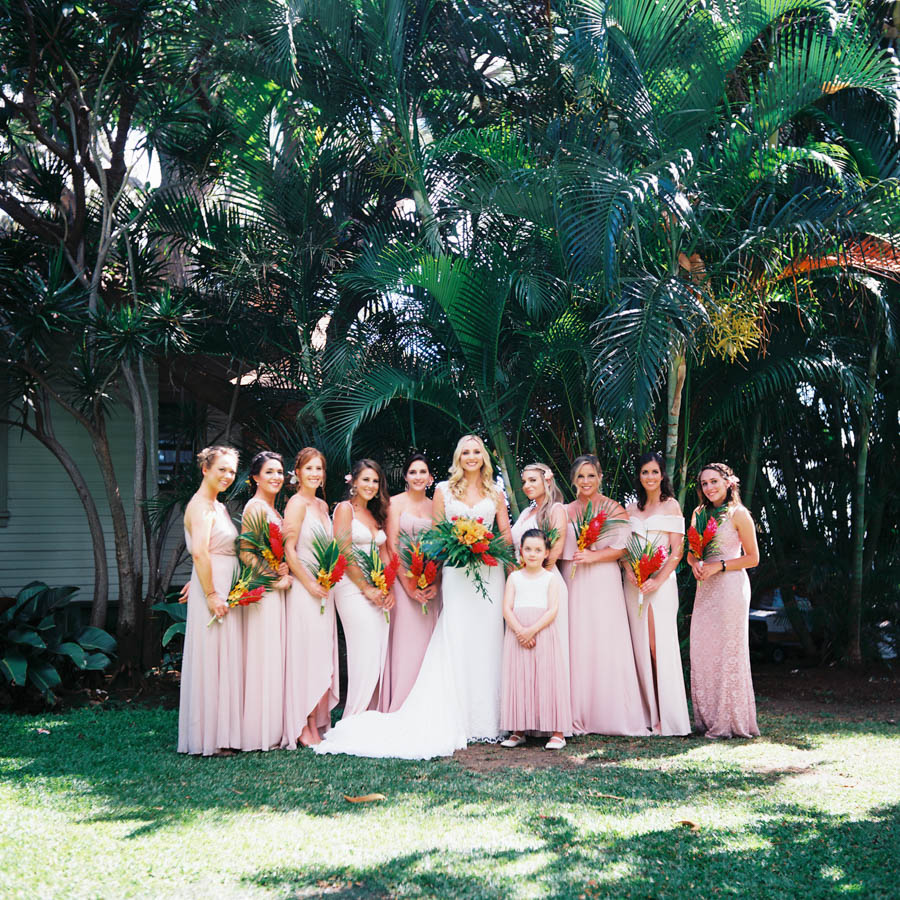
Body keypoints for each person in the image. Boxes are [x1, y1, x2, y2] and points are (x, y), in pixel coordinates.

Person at [315, 434, 513, 759]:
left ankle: (491, 718)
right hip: (456, 574)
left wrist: (508, 566)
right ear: (458, 457)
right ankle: (460, 715)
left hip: (489, 576)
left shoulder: (497, 493)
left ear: (485, 457)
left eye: (477, 451)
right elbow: (436, 538)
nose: (472, 456)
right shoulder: (444, 492)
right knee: (457, 641)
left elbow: (504, 533)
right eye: (466, 452)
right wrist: (424, 577)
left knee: (488, 640)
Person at [559, 454, 650, 735]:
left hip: (603, 580)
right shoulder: (564, 511)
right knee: (577, 639)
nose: (586, 481)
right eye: (580, 476)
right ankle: (575, 711)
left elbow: (623, 548)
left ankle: (610, 711)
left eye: (591, 475)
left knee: (605, 638)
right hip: (572, 580)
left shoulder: (614, 508)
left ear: (600, 477)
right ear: (573, 480)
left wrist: (594, 555)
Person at [688, 462, 761, 739]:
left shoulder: (738, 514)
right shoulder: (698, 513)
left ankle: (729, 722)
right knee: (704, 649)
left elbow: (753, 558)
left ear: (728, 483)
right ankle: (707, 720)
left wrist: (719, 565)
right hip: (705, 586)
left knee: (728, 653)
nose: (709, 488)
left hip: (730, 586)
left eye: (714, 482)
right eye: (704, 483)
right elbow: (691, 552)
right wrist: (695, 563)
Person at [177, 446, 242, 756]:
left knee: (221, 659)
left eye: (232, 471)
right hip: (214, 591)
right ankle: (207, 738)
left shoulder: (218, 506)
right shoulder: (200, 506)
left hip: (216, 582)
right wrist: (211, 592)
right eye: (222, 470)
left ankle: (221, 733)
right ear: (205, 469)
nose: (228, 476)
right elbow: (200, 552)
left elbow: (211, 551)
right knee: (210, 660)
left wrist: (196, 579)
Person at [622, 452, 690, 736]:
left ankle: (668, 713)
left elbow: (677, 551)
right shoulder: (629, 509)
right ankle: (647, 713)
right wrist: (629, 571)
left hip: (660, 584)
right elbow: (623, 548)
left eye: (654, 472)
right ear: (639, 476)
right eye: (644, 472)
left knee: (657, 646)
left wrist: (657, 580)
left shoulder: (671, 505)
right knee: (638, 647)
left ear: (663, 475)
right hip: (633, 583)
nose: (650, 477)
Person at [282, 447, 339, 748]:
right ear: (298, 472)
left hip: (323, 590)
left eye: (319, 469)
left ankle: (316, 723)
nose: (315, 474)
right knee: (305, 655)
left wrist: (325, 580)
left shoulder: (322, 504)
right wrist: (308, 584)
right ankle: (302, 724)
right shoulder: (297, 503)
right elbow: (289, 550)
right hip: (305, 591)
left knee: (320, 655)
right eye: (309, 469)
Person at [500, 529, 572, 749]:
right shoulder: (514, 577)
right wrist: (520, 630)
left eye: (538, 549)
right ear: (521, 551)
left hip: (542, 631)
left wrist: (531, 630)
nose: (532, 554)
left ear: (546, 553)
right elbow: (506, 608)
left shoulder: (550, 578)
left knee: (547, 678)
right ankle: (518, 730)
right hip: (517, 632)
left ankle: (557, 732)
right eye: (528, 549)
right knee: (520, 678)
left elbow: (553, 610)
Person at [332, 459, 393, 717]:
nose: (371, 485)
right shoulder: (344, 509)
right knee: (364, 649)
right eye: (366, 479)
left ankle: (372, 713)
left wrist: (386, 588)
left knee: (379, 649)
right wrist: (366, 588)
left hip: (377, 588)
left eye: (375, 481)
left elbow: (383, 554)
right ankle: (354, 715)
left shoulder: (375, 514)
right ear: (353, 482)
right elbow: (343, 551)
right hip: (351, 587)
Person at [380, 453, 440, 712]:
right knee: (406, 640)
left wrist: (433, 582)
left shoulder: (436, 507)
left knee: (429, 642)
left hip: (430, 581)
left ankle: (427, 703)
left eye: (422, 472)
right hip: (402, 582)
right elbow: (392, 546)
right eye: (413, 472)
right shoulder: (394, 504)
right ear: (405, 476)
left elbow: (441, 546)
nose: (418, 476)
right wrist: (409, 587)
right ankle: (401, 704)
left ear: (430, 478)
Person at [240, 451, 292, 752]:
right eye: (269, 472)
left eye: (280, 472)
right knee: (264, 656)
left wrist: (281, 567)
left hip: (277, 589)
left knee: (275, 655)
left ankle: (273, 727)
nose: (276, 477)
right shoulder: (255, 507)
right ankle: (259, 732)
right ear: (255, 477)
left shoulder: (274, 509)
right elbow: (246, 552)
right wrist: (273, 578)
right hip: (265, 592)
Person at [509, 462, 571, 696]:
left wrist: (532, 576)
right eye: (524, 481)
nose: (526, 485)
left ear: (547, 481)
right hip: (521, 585)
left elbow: (554, 551)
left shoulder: (556, 510)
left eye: (532, 480)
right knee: (525, 649)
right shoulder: (527, 512)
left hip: (545, 583)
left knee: (550, 649)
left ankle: (556, 715)